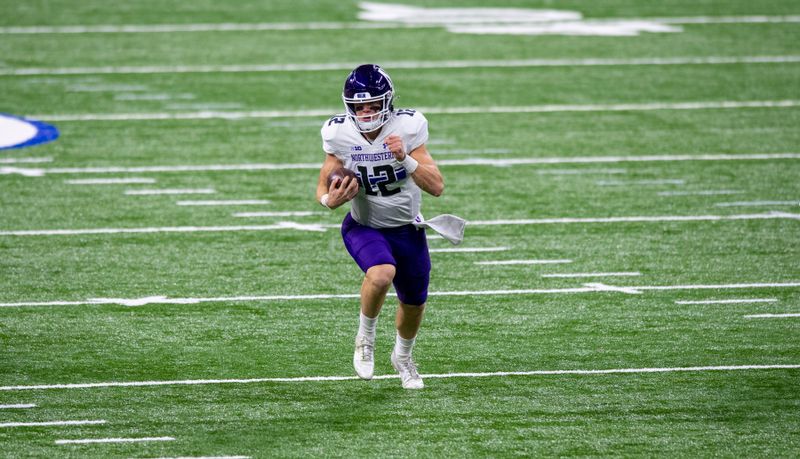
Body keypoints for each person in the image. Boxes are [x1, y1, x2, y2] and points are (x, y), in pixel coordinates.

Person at [315, 64, 445, 389]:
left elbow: (437, 186)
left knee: (414, 302)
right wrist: (330, 201)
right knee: (382, 272)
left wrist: (406, 159)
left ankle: (403, 357)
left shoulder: (409, 127)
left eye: (373, 104)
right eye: (360, 106)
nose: (367, 111)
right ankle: (365, 338)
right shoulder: (338, 133)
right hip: (364, 225)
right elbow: (322, 186)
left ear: (387, 102)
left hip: (407, 228)